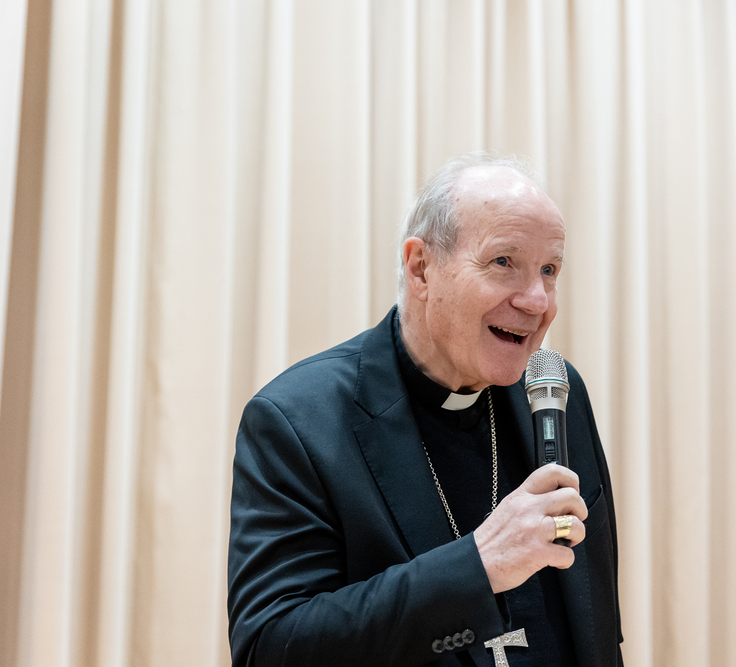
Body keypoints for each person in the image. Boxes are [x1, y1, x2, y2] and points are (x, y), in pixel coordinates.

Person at [227, 152, 623, 666]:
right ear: (421, 269)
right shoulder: (298, 420)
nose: (536, 300)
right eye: (503, 262)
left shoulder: (554, 389)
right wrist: (477, 567)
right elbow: (271, 647)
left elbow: (597, 623)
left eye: (549, 270)